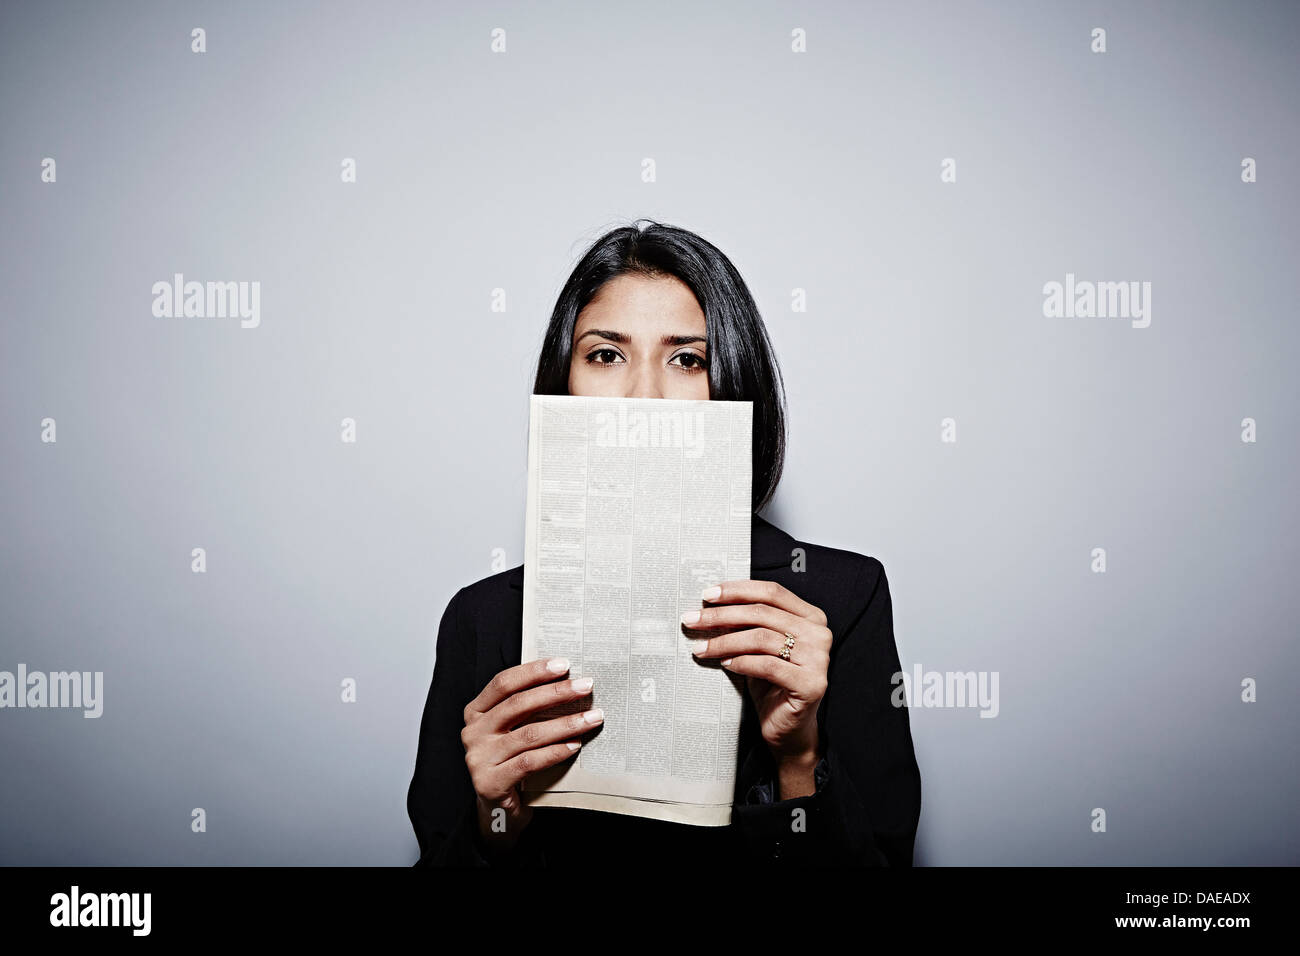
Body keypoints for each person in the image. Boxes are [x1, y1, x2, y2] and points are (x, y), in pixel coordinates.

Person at [407, 219, 921, 866]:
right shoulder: (479, 622)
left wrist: (798, 757)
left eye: (687, 359)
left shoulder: (841, 602)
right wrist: (495, 822)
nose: (643, 396)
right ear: (562, 383)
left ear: (733, 382)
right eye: (604, 354)